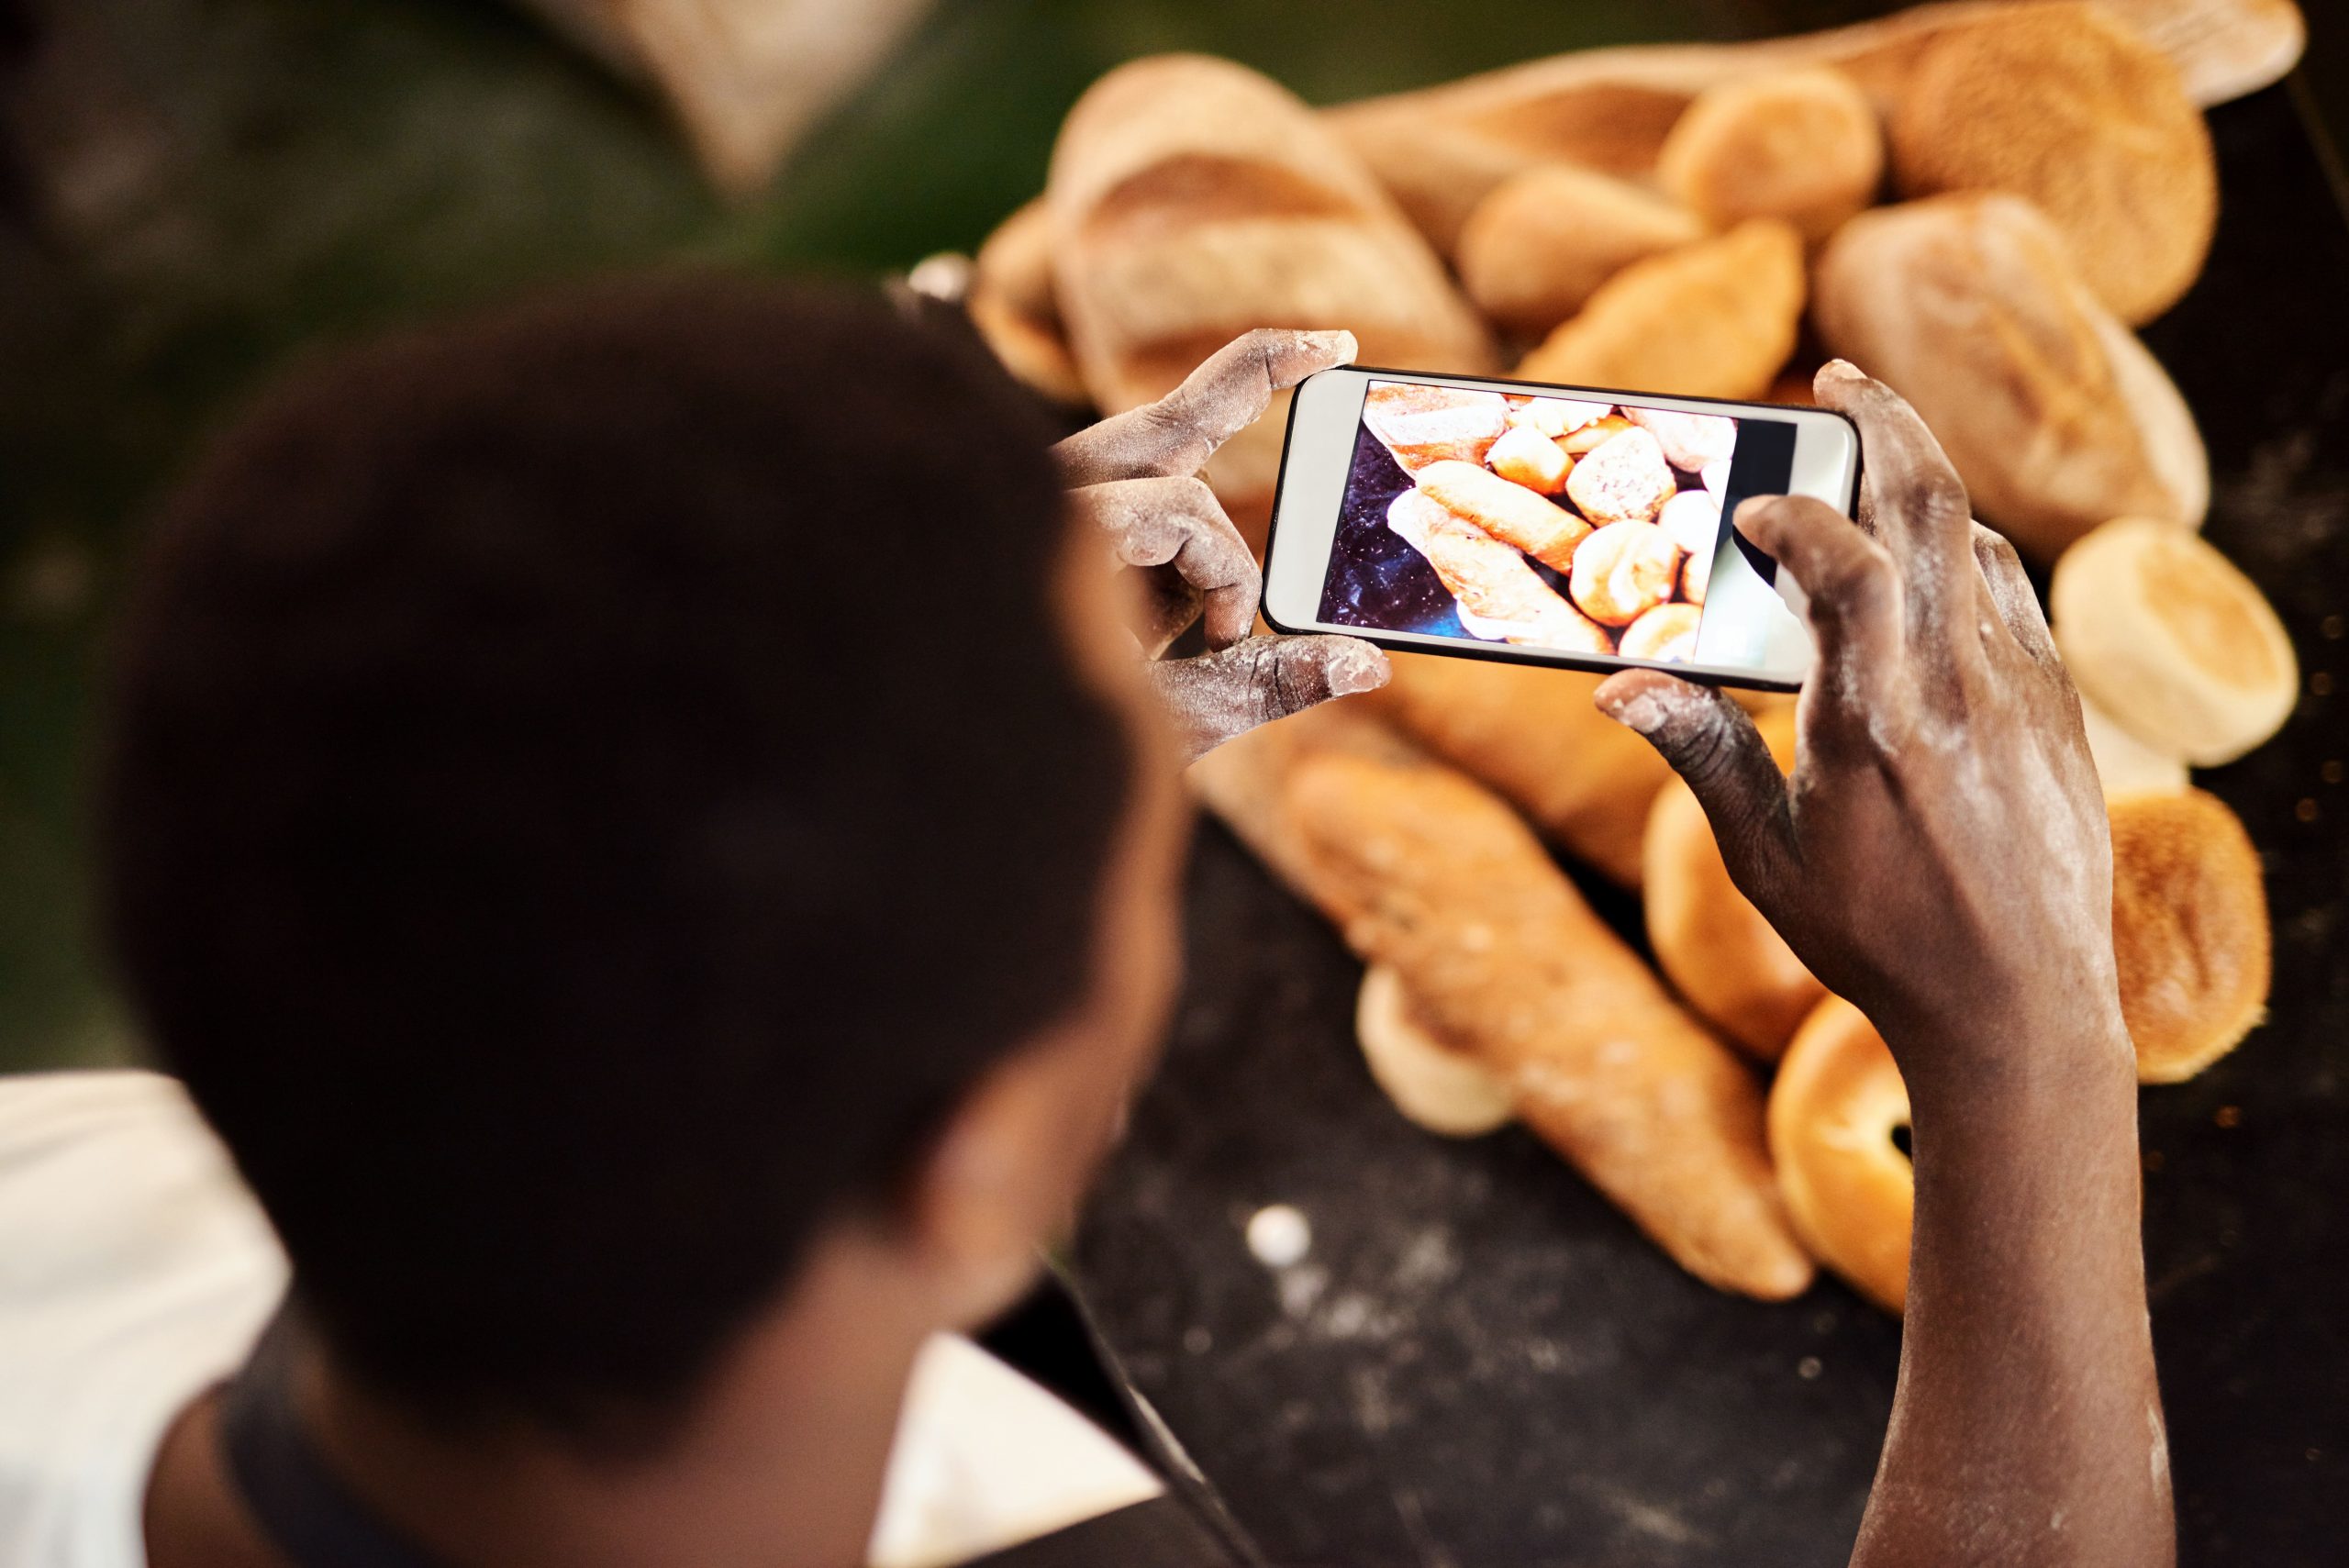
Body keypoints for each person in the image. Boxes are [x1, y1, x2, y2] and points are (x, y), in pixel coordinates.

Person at [0, 274, 2169, 1568]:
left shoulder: (49, 1200)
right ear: (983, 1167)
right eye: (1129, 887)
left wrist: (889, 725)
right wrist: (2029, 1061)